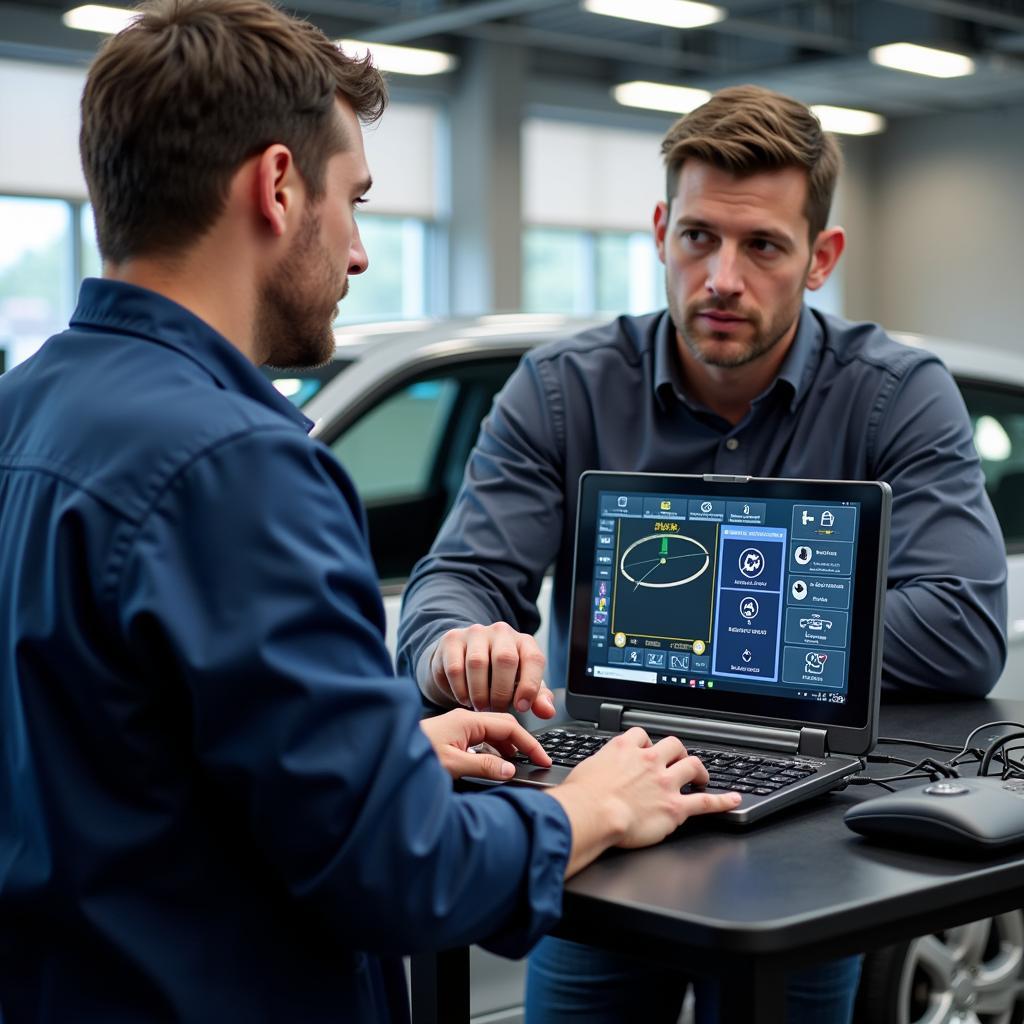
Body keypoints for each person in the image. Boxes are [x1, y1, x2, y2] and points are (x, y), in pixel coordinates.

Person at [0, 3, 745, 1021]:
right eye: (353, 199)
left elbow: (114, 750)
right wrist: (588, 808)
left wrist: (386, 746)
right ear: (274, 186)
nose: (357, 252)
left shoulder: (25, 410)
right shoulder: (239, 464)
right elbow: (403, 872)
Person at [397, 85, 1008, 1022]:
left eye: (762, 245)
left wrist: (711, 629)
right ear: (658, 232)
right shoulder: (562, 392)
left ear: (820, 258)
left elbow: (963, 627)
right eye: (697, 238)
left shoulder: (895, 395)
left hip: (809, 843)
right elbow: (459, 583)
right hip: (605, 821)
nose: (722, 277)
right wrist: (451, 644)